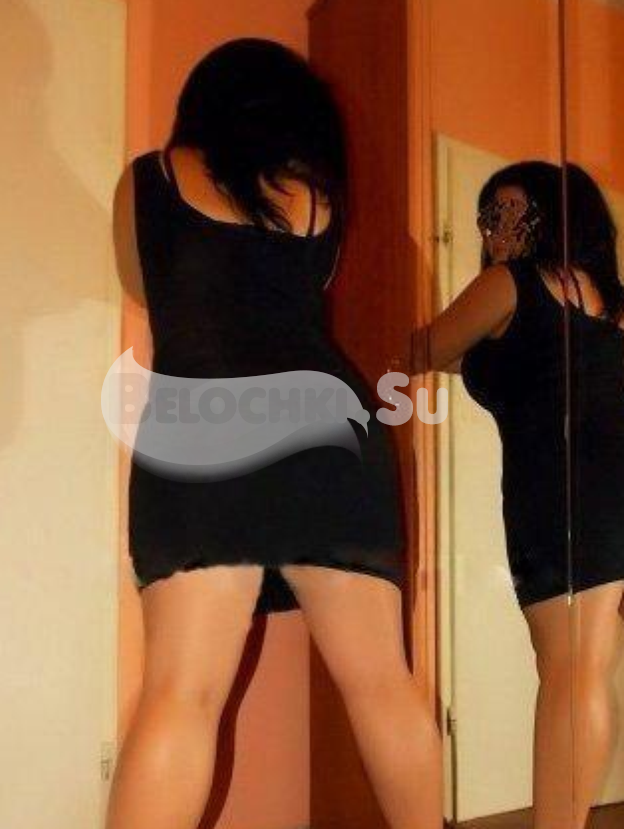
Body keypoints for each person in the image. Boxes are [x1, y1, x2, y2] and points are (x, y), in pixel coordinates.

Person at [106, 38, 443, 829]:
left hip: (203, 424)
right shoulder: (318, 199)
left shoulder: (152, 177)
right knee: (383, 684)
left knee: (181, 695)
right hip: (331, 428)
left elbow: (142, 284)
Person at [416, 160, 624, 829]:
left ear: (553, 216)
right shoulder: (607, 301)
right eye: (490, 215)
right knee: (582, 667)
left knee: (569, 668)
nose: (497, 230)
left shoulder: (509, 284)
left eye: (512, 213)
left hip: (559, 488)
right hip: (599, 485)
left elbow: (423, 348)